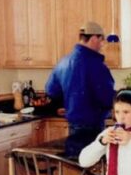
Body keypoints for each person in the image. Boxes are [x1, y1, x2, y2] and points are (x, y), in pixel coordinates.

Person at [45, 21, 115, 156]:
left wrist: (67, 104)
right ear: (94, 38)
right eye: (102, 40)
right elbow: (106, 97)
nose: (102, 45)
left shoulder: (63, 62)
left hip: (73, 125)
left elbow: (51, 90)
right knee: (92, 169)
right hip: (93, 126)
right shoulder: (96, 65)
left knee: (75, 167)